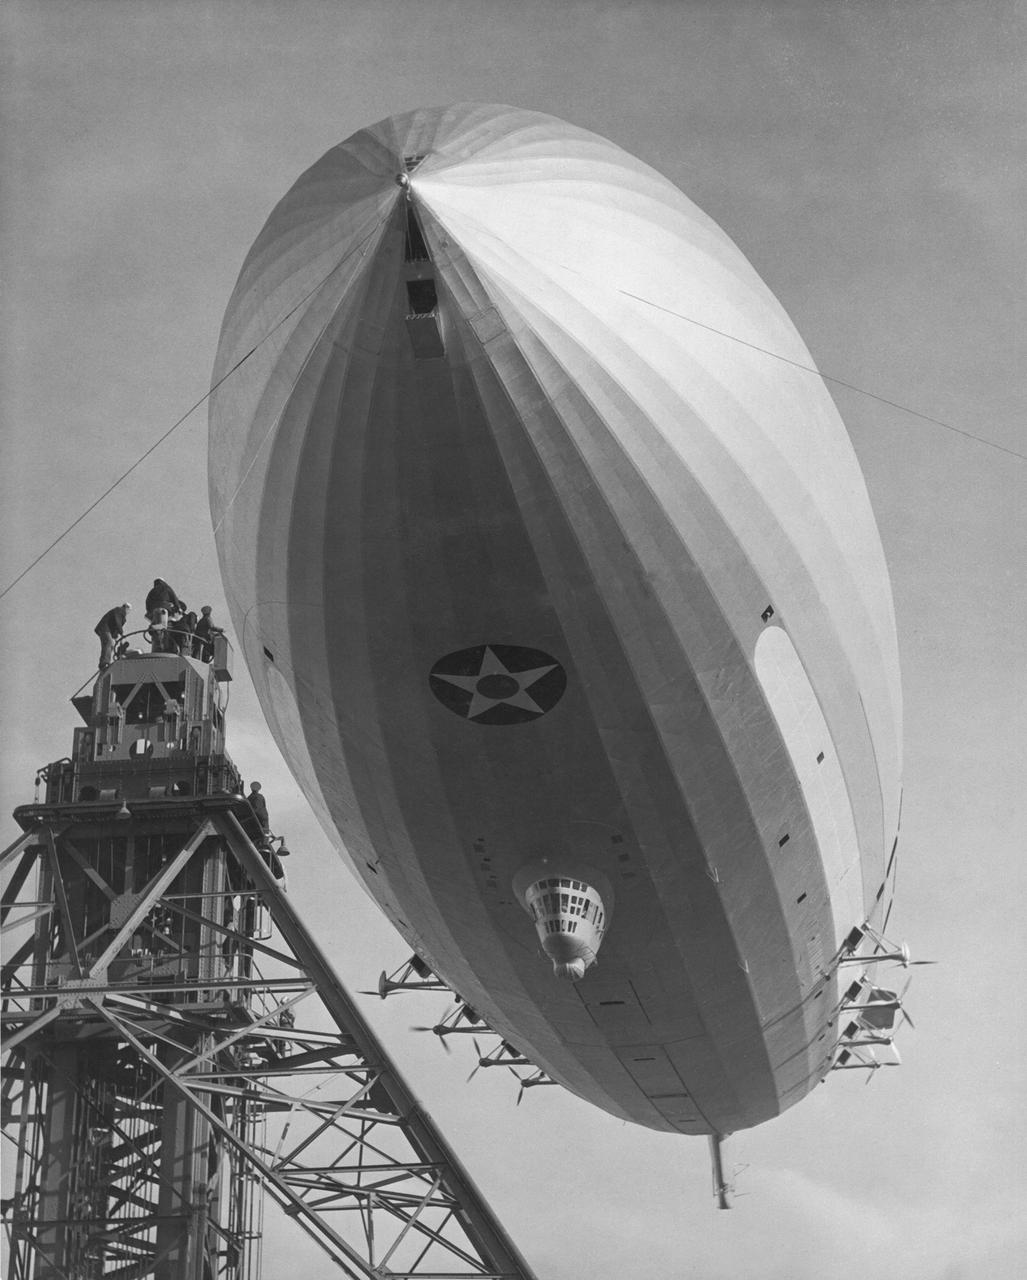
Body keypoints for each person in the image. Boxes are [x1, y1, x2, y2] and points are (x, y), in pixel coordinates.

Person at [94, 602, 131, 669]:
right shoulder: (119, 610)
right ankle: (104, 663)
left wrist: (116, 637)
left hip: (107, 630)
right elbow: (117, 622)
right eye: (126, 607)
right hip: (104, 628)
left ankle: (106, 661)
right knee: (109, 643)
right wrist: (121, 633)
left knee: (111, 644)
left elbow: (115, 627)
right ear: (125, 608)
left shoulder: (123, 617)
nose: (127, 610)